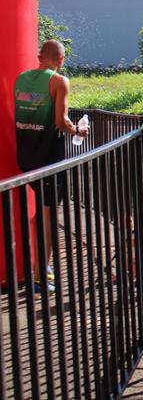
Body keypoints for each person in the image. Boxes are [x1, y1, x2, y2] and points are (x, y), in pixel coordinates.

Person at [15, 39, 90, 294]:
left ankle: (38, 266)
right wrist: (78, 130)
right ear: (61, 59)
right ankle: (40, 275)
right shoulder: (59, 81)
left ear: (39, 56)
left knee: (40, 212)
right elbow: (61, 121)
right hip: (48, 158)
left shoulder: (21, 78)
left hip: (25, 156)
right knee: (48, 216)